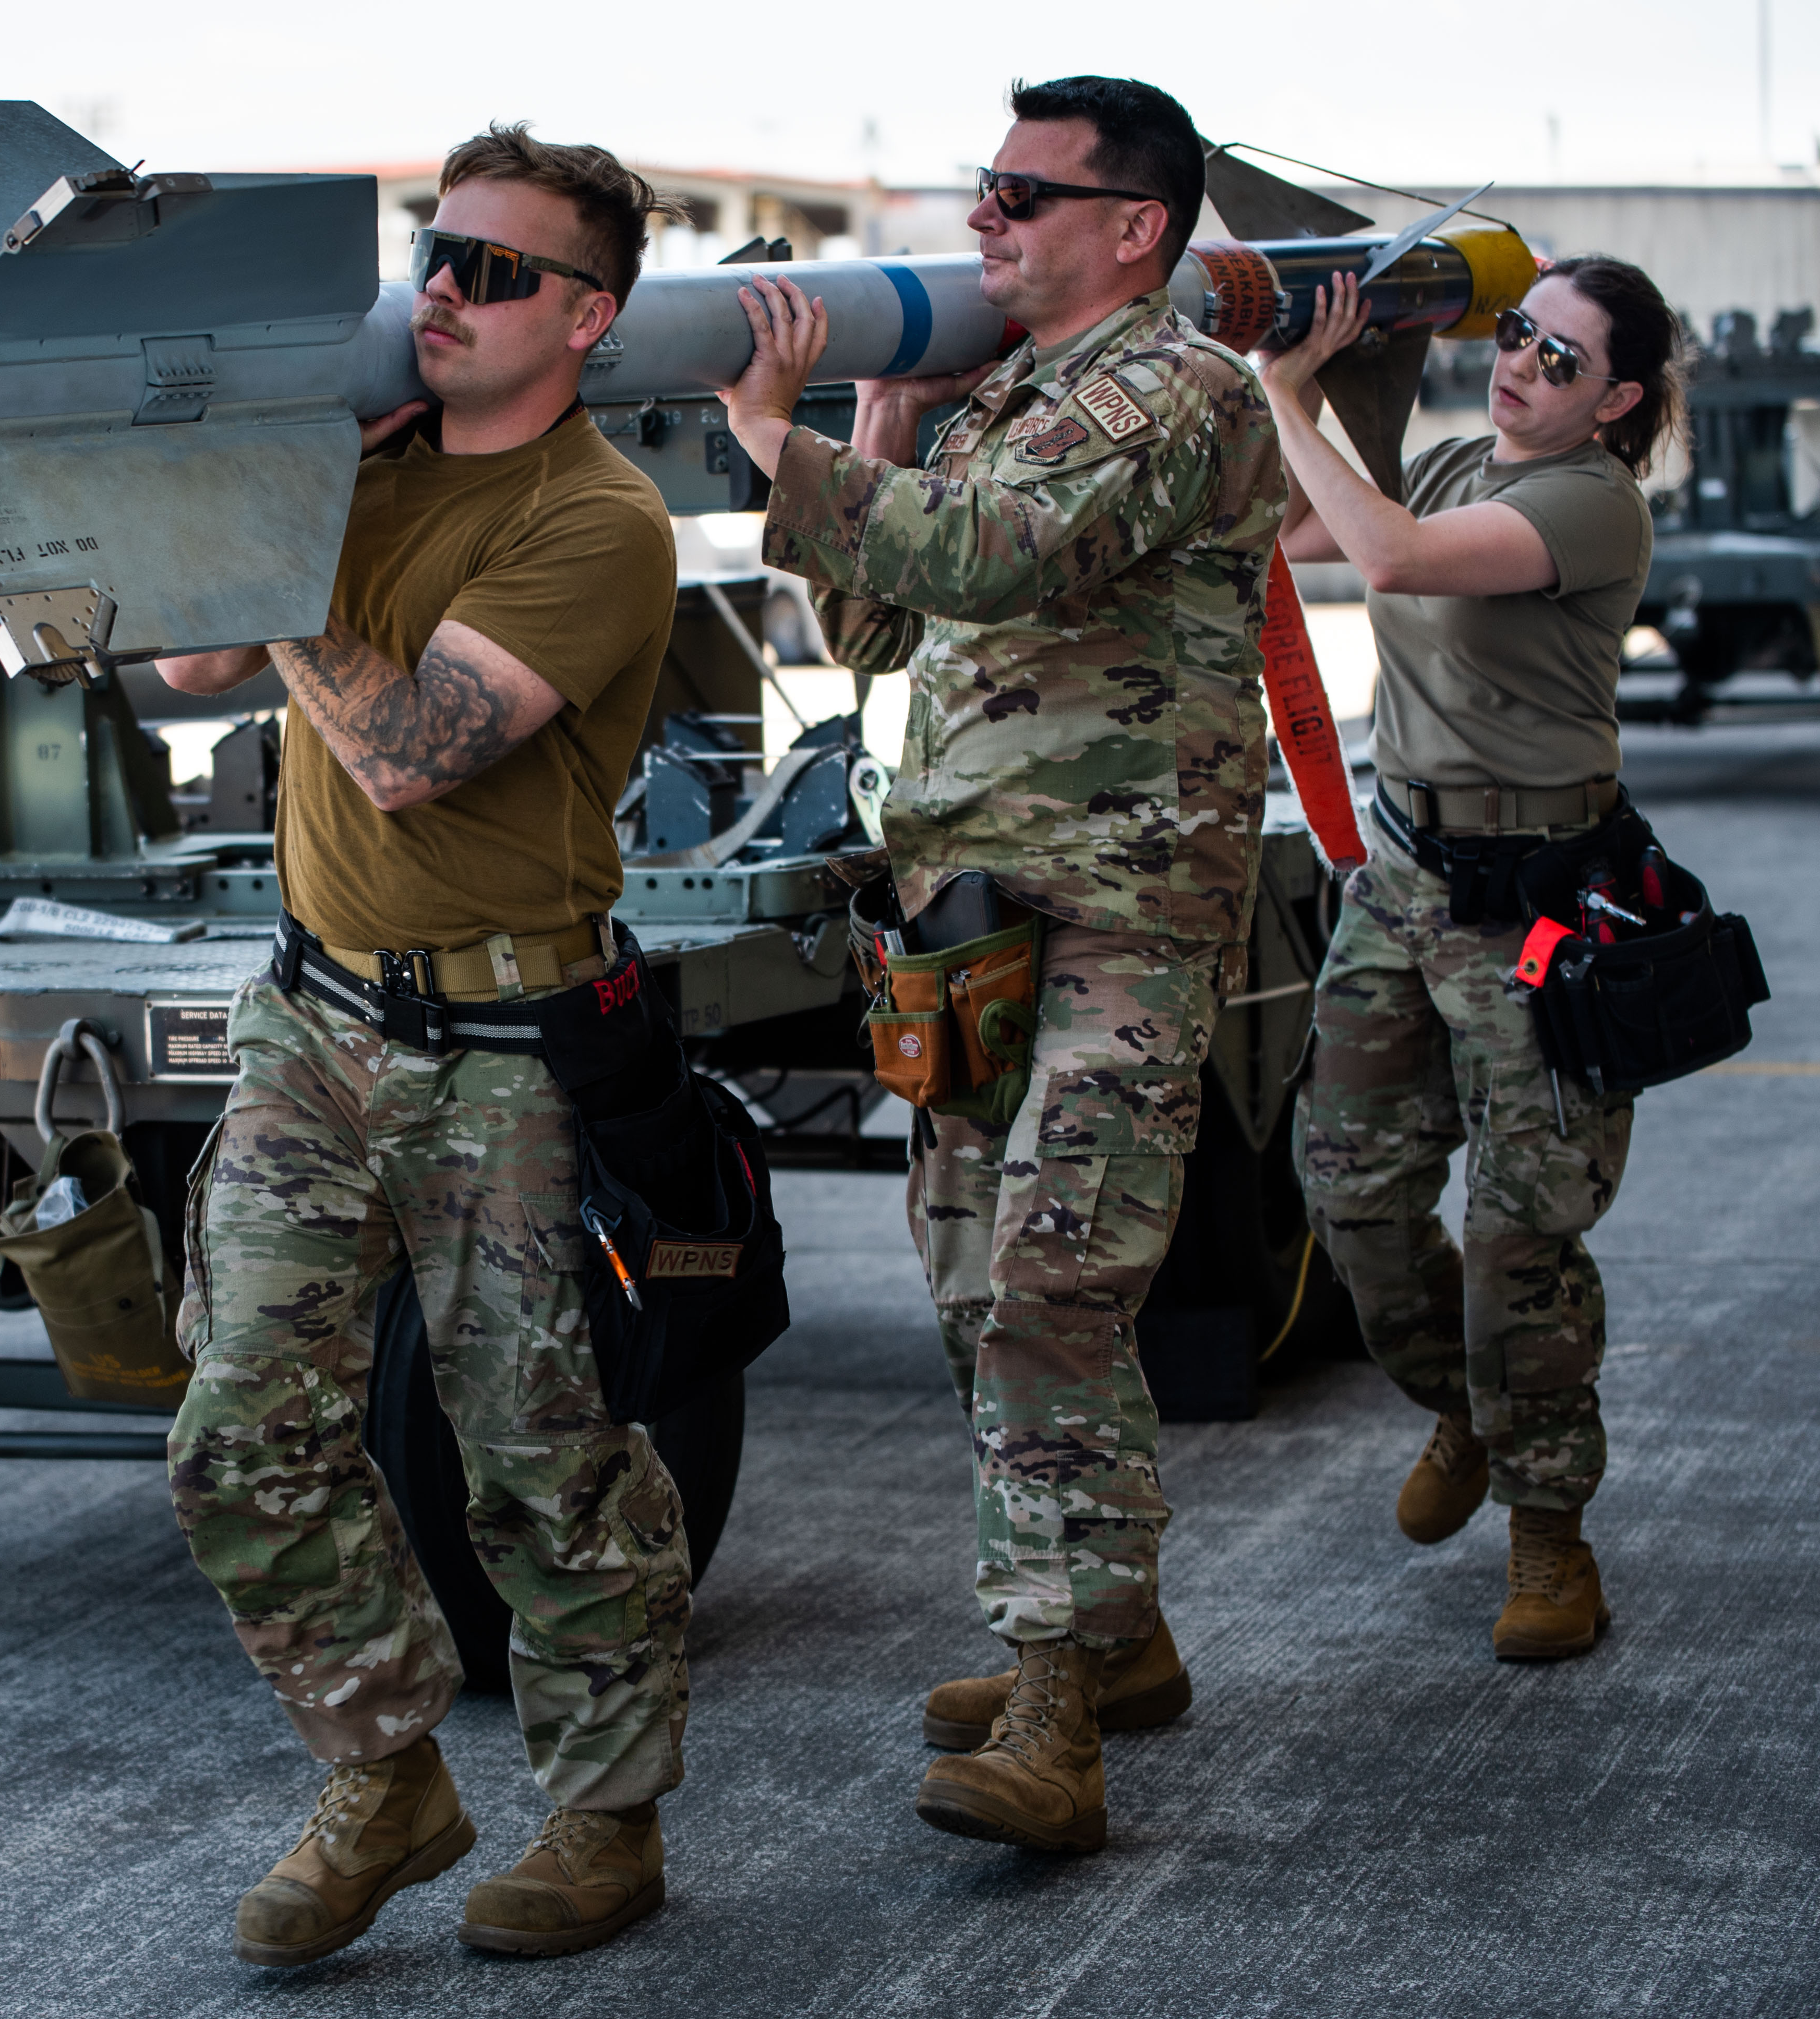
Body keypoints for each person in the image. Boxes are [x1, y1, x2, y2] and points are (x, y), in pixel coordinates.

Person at [720, 75, 1283, 1853]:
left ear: (1133, 228)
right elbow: (876, 621)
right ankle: (1116, 1641)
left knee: (1053, 1279)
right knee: (974, 1281)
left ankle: (1055, 1707)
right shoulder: (1010, 398)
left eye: (1023, 195)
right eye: (985, 186)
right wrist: (878, 420)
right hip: (974, 914)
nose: (984, 218)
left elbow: (989, 555)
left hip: (1121, 908)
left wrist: (774, 436)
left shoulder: (1171, 388)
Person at [155, 126, 689, 1964]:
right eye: (434, 254)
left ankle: (606, 1820)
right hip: (313, 1018)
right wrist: (280, 482)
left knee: (538, 1458)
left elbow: (407, 752)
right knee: (239, 1429)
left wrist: (284, 556)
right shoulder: (363, 470)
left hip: (504, 1045)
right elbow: (191, 671)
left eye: (496, 270)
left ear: (587, 319)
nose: (444, 291)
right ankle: (384, 1774)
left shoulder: (596, 519)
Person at [1259, 256, 1685, 1660]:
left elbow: (1386, 558)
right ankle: (1465, 1405)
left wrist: (1286, 388)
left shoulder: (1590, 503)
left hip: (1536, 905)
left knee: (1520, 1234)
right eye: (1514, 334)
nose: (1518, 366)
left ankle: (1550, 1533)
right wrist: (1309, 377)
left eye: (1559, 359)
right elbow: (1303, 534)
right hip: (1401, 882)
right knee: (1350, 1197)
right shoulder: (1451, 466)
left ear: (1616, 401)